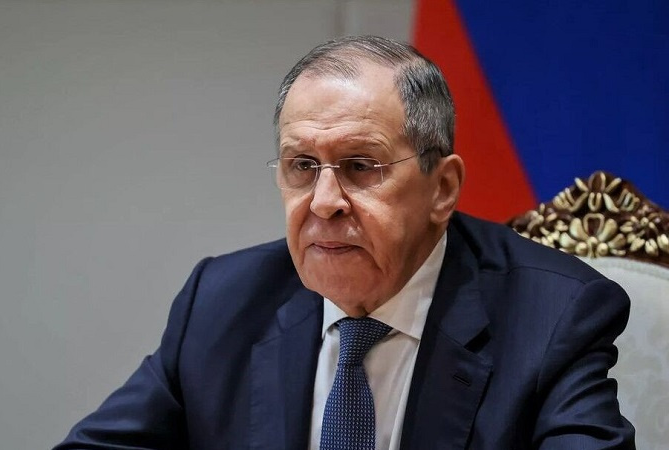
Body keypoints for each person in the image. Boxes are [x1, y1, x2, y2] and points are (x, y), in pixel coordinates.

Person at [54, 36, 635, 449]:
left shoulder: (553, 316)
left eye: (360, 165)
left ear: (443, 188)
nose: (323, 201)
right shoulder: (221, 302)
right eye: (302, 165)